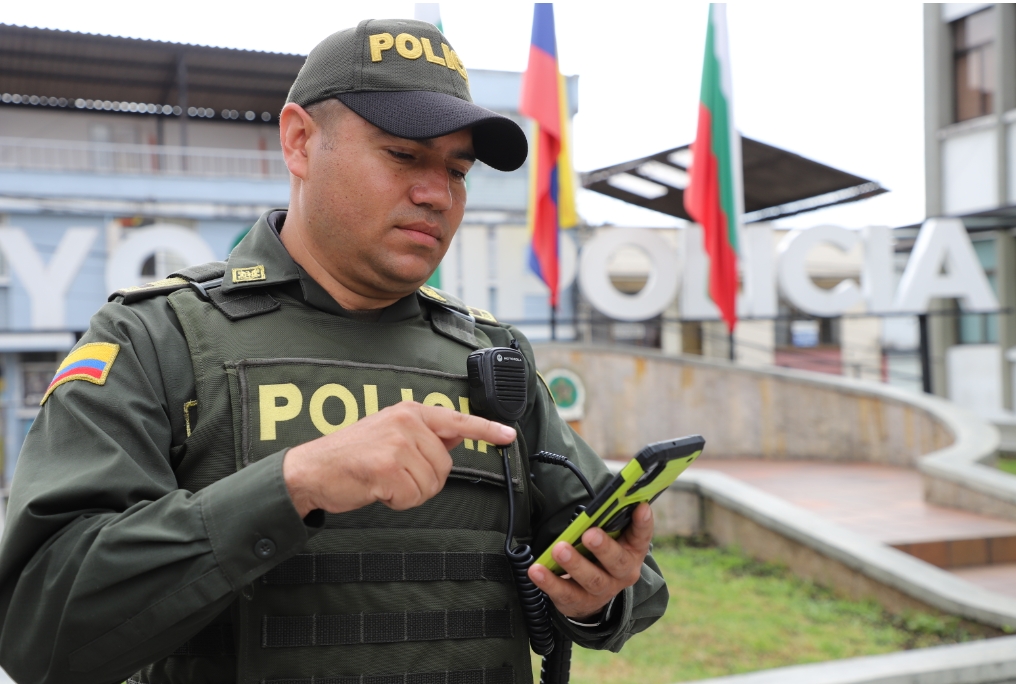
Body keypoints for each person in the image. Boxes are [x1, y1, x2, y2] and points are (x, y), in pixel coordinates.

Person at [0, 19, 668, 684]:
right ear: (299, 141)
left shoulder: (492, 355)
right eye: (403, 155)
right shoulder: (156, 339)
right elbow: (38, 627)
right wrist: (293, 484)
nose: (437, 193)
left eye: (457, 170)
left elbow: (636, 581)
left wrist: (600, 594)